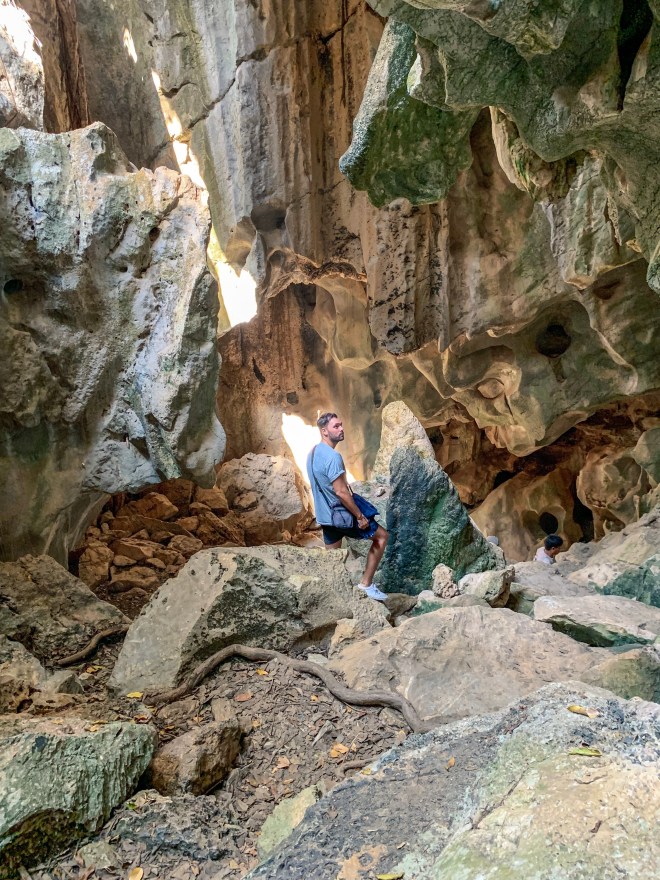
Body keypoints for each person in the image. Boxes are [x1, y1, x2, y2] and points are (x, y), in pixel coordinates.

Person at [306, 412, 389, 602]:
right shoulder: (333, 457)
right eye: (336, 426)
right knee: (382, 537)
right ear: (324, 431)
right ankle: (366, 585)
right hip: (341, 516)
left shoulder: (312, 453)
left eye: (341, 425)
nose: (341, 429)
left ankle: (333, 596)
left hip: (325, 517)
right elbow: (341, 492)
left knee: (333, 559)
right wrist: (360, 516)